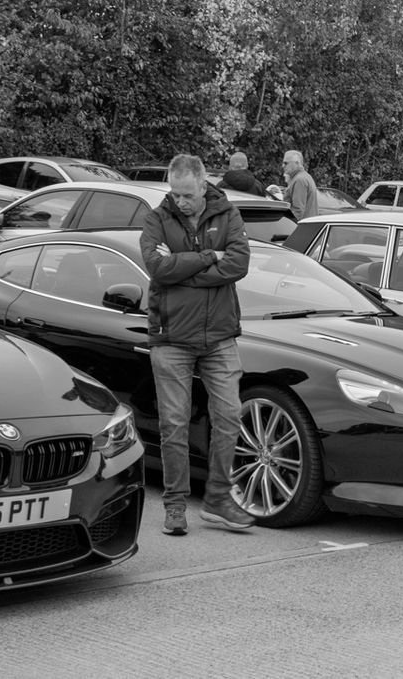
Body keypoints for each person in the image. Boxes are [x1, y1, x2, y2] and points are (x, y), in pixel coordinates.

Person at [141, 154, 256, 536]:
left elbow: (238, 264)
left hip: (219, 335)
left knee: (229, 415)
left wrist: (182, 267)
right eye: (175, 193)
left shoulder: (229, 215)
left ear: (204, 185)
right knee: (173, 424)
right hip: (171, 337)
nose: (181, 201)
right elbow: (157, 269)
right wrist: (208, 257)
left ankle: (219, 498)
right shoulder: (156, 218)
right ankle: (175, 505)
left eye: (188, 194)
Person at [278, 149, 319, 220]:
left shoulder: (299, 180)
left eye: (286, 163)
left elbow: (297, 212)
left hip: (301, 227)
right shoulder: (304, 177)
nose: (283, 166)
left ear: (297, 163)